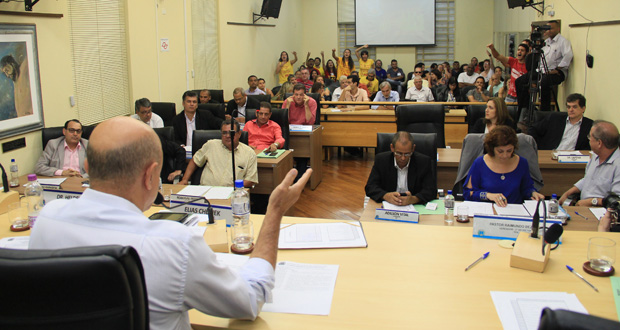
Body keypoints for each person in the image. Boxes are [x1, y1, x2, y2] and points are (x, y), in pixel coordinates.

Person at [29, 116, 313, 330]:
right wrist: (275, 210)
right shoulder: (175, 244)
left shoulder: (47, 220)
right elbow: (248, 301)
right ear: (151, 175)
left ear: (87, 167)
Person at [464, 125, 544, 205]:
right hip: (487, 210)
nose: (505, 155)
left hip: (514, 211)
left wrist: (533, 193)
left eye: (509, 151)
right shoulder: (479, 163)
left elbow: (526, 189)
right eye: (500, 151)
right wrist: (488, 195)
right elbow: (468, 193)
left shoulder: (522, 163)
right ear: (492, 148)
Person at [180, 119, 258, 187]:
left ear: (239, 134)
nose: (227, 136)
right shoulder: (211, 145)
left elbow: (250, 180)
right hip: (206, 190)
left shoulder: (249, 153)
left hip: (231, 193)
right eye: (224, 133)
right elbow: (195, 161)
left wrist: (232, 188)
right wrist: (185, 179)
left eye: (231, 133)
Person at [559, 121, 620, 206]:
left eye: (590, 137)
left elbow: (616, 201)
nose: (589, 139)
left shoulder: (617, 165)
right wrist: (569, 192)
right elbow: (588, 179)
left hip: (601, 213)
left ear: (599, 143)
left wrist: (591, 202)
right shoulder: (595, 156)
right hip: (583, 207)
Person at [365, 131, 435, 205]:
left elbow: (431, 190)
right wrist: (385, 196)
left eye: (407, 154)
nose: (403, 158)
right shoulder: (381, 160)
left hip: (413, 206)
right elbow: (370, 187)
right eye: (399, 153)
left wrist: (414, 199)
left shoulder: (423, 162)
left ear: (413, 149)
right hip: (388, 205)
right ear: (392, 148)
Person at [516, 20, 573, 111]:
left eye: (551, 28)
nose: (548, 30)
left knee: (544, 81)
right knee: (520, 81)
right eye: (547, 28)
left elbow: (568, 55)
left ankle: (544, 110)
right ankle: (525, 108)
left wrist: (558, 69)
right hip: (542, 70)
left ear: (558, 29)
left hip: (556, 72)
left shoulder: (563, 42)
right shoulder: (546, 42)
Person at [528, 93, 593, 150]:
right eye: (568, 107)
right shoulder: (554, 118)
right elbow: (533, 129)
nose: (571, 110)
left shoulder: (590, 125)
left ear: (583, 108)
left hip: (573, 159)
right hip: (551, 155)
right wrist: (537, 147)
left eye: (574, 107)